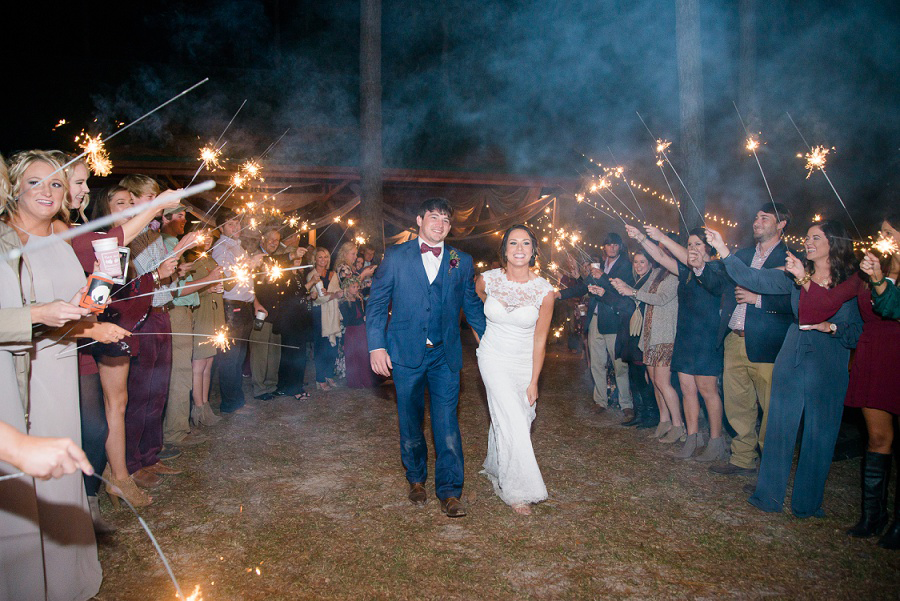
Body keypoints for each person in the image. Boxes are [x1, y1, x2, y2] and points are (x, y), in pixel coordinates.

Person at [2, 150, 132, 601]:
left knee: (60, 472)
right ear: (14, 186)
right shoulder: (4, 243)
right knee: (24, 480)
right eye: (35, 182)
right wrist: (41, 312)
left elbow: (66, 316)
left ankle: (63, 580)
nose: (47, 192)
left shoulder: (60, 244)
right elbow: (23, 315)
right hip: (20, 375)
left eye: (56, 185)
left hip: (58, 369)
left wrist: (92, 325)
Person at [706, 222, 862, 518]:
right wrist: (724, 250)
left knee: (820, 431)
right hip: (793, 350)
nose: (808, 241)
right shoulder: (795, 276)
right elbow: (756, 278)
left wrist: (832, 327)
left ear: (835, 243)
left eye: (816, 237)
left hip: (829, 356)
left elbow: (856, 331)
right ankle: (768, 495)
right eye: (807, 237)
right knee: (778, 425)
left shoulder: (851, 283)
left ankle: (807, 503)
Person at [367, 198, 486, 518]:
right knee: (410, 419)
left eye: (446, 221)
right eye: (434, 217)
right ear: (420, 220)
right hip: (405, 353)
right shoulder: (395, 257)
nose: (440, 225)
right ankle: (416, 478)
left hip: (445, 356)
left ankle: (450, 491)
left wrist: (491, 343)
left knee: (447, 424)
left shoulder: (462, 260)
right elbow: (377, 304)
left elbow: (472, 307)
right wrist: (376, 346)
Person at [693, 204, 794, 476]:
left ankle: (770, 471)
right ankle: (742, 459)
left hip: (767, 344)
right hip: (734, 340)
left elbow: (795, 302)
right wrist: (701, 268)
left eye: (765, 218)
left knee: (770, 408)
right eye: (756, 216)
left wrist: (758, 300)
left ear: (781, 224)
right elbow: (721, 287)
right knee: (737, 405)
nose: (757, 221)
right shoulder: (744, 254)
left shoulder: (789, 258)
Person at [623, 224, 727, 461]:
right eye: (689, 245)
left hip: (707, 337)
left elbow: (707, 278)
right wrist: (641, 237)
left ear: (709, 247)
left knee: (707, 390)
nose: (692, 249)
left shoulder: (717, 269)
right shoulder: (686, 272)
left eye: (697, 244)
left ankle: (716, 440)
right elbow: (659, 256)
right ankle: (692, 437)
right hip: (685, 335)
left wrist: (663, 237)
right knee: (688, 390)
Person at [832, 211, 900, 549]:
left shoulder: (880, 278)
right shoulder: (873, 269)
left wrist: (876, 281)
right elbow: (841, 299)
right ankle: (873, 515)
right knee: (876, 437)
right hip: (874, 355)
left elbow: (890, 307)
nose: (881, 235)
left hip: (897, 352)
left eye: (888, 231)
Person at [476, 225, 555, 515]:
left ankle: (497, 464)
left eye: (525, 243)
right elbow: (481, 306)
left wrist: (534, 381)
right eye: (513, 243)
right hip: (493, 357)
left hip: (524, 362)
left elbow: (540, 340)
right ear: (504, 249)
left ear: (533, 250)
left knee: (518, 417)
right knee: (511, 418)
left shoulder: (545, 292)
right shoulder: (486, 280)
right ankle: (519, 490)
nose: (519, 248)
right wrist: (482, 339)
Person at [609, 246, 683, 443]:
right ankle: (664, 421)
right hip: (649, 335)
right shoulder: (657, 273)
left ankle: (678, 425)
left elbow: (661, 299)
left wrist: (631, 290)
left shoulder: (675, 275)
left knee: (663, 382)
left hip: (665, 334)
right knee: (654, 382)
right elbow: (640, 294)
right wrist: (621, 286)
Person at [558, 232, 635, 417]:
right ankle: (601, 400)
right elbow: (583, 287)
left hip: (614, 321)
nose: (612, 248)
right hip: (595, 319)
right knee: (597, 364)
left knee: (619, 365)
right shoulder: (598, 265)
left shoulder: (625, 266)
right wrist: (560, 294)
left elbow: (620, 291)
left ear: (620, 247)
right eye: (609, 245)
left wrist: (602, 277)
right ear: (604, 247)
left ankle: (626, 403)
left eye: (615, 245)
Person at [211, 209, 262, 414]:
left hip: (244, 307)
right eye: (231, 224)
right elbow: (230, 282)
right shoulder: (221, 248)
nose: (236, 227)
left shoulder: (238, 247)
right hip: (231, 307)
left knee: (239, 357)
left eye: (238, 223)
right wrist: (250, 264)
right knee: (230, 357)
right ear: (221, 228)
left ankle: (237, 400)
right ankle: (230, 403)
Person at [617, 249, 660, 429]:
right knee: (634, 375)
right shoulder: (635, 281)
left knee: (644, 376)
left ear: (650, 263)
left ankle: (651, 414)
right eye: (636, 262)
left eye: (642, 262)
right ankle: (639, 412)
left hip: (644, 333)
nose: (639, 265)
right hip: (632, 334)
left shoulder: (651, 281)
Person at [186, 234, 225, 425]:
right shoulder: (189, 260)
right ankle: (198, 409)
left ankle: (206, 405)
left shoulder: (211, 259)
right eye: (203, 236)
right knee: (199, 364)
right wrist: (208, 289)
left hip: (214, 316)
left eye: (210, 236)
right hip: (200, 314)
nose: (207, 239)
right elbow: (186, 289)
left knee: (209, 362)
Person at [273, 245, 314, 400]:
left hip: (299, 320)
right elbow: (292, 297)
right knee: (291, 355)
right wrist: (309, 286)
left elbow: (300, 296)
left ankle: (293, 385)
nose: (298, 261)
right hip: (289, 320)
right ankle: (291, 387)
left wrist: (309, 296)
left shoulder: (298, 276)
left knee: (298, 354)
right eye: (295, 258)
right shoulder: (284, 277)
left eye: (300, 258)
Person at [308, 246, 342, 391]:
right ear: (315, 259)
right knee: (321, 347)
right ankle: (320, 378)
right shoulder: (312, 276)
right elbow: (317, 299)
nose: (323, 260)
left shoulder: (332, 274)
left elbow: (338, 292)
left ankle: (328, 374)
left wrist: (331, 294)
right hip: (319, 315)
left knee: (332, 347)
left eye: (326, 256)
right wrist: (332, 295)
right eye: (320, 257)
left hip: (333, 315)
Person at [339, 276, 375, 388]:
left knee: (363, 354)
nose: (356, 289)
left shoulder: (359, 300)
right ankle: (355, 381)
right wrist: (362, 319)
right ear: (347, 288)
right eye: (353, 287)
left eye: (357, 287)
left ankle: (366, 379)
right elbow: (348, 320)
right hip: (352, 331)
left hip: (361, 330)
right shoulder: (344, 303)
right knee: (353, 355)